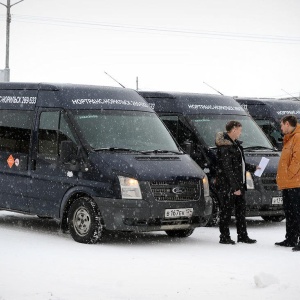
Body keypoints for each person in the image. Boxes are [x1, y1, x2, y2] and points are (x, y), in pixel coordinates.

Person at [215, 120, 259, 245]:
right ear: (234, 129)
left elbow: (240, 164)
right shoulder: (225, 147)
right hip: (229, 186)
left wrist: (253, 167)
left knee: (241, 211)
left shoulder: (236, 145)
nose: (241, 133)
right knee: (226, 211)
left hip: (239, 184)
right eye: (239, 130)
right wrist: (234, 187)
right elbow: (227, 169)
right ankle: (224, 236)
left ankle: (243, 236)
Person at [275, 115, 300, 252]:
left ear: (287, 124)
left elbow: (298, 160)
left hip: (295, 183)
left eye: (281, 125)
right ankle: (291, 238)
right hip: (288, 183)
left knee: (297, 213)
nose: (280, 127)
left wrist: (289, 175)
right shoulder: (289, 139)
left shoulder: (297, 137)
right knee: (290, 213)